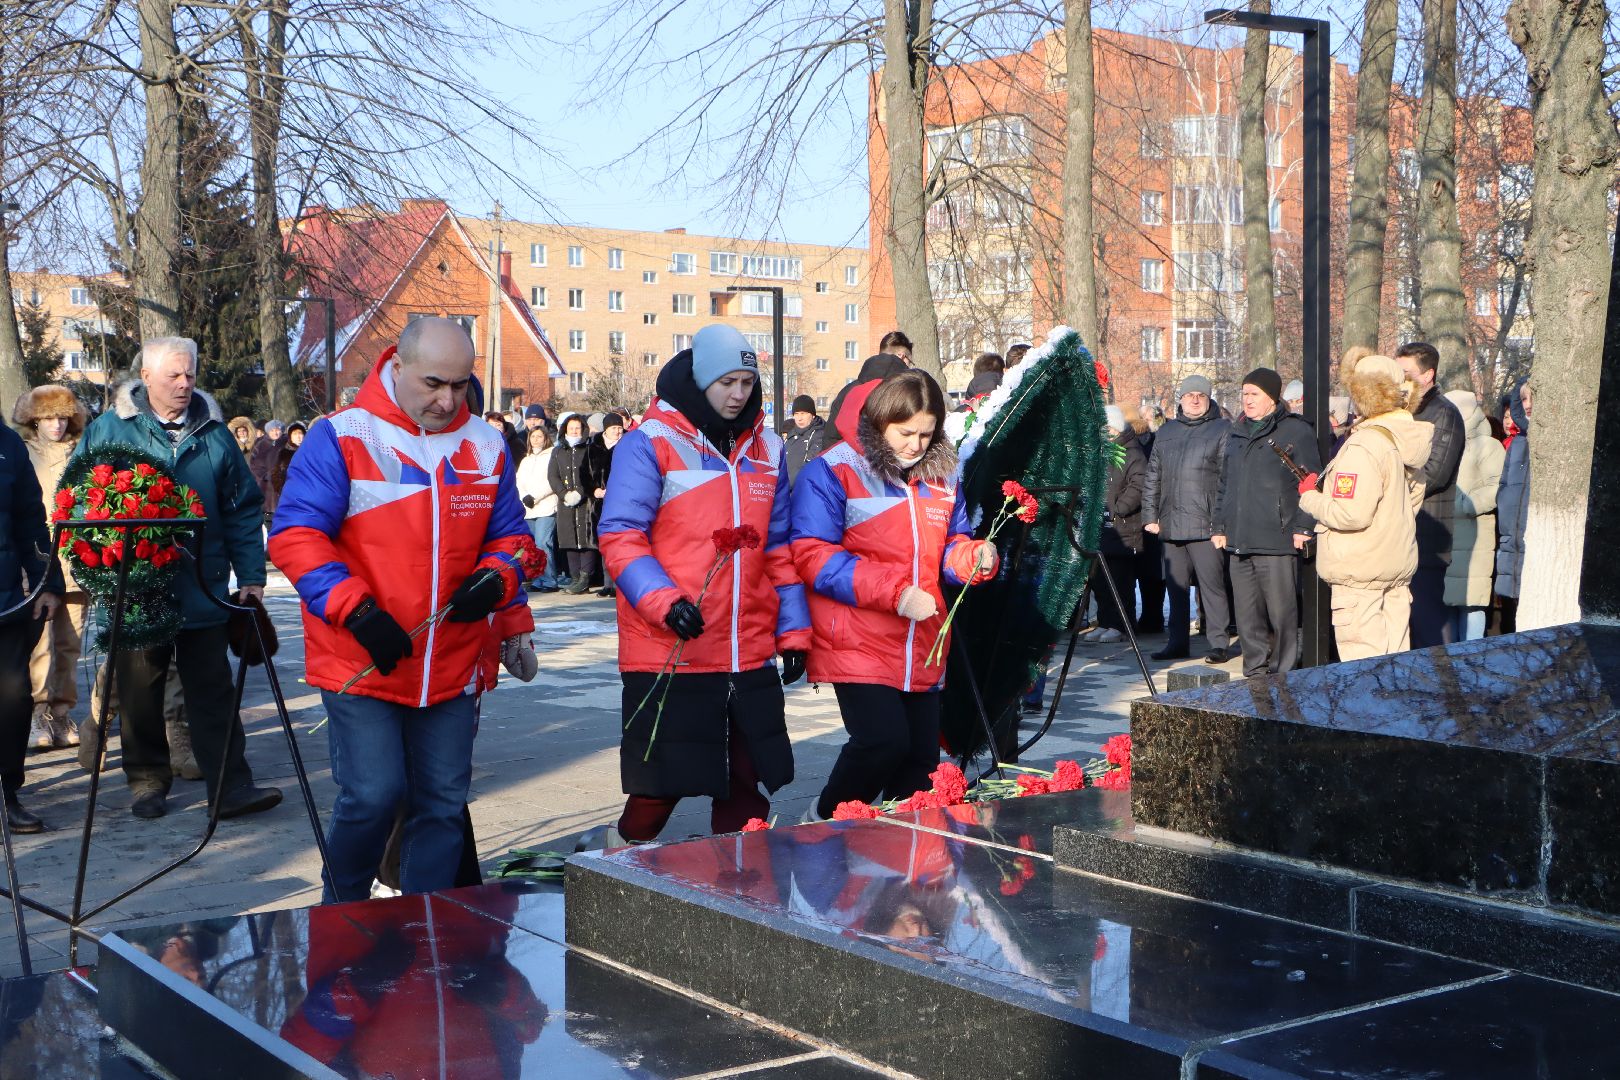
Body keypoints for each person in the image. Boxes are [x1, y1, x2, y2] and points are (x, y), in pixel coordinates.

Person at [268, 317, 529, 902]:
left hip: (452, 660)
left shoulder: (485, 443)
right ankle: (342, 906)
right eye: (435, 383)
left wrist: (497, 578)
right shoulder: (343, 435)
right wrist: (355, 610)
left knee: (442, 800)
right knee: (373, 794)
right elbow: (295, 535)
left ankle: (432, 919)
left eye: (462, 386)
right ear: (398, 364)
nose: (449, 400)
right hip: (363, 655)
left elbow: (511, 537)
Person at [596, 324, 810, 844]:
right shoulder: (649, 443)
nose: (738, 394)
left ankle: (742, 885)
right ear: (699, 379)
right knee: (660, 784)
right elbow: (621, 537)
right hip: (674, 645)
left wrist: (794, 631)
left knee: (747, 780)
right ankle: (617, 861)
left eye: (746, 381)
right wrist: (665, 603)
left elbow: (778, 548)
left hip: (746, 649)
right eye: (726, 382)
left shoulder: (770, 450)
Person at [75, 337, 281, 820]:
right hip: (135, 589)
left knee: (212, 689)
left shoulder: (213, 432)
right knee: (139, 692)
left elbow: (243, 507)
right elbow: (81, 501)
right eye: (174, 375)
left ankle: (231, 785)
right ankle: (147, 782)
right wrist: (101, 564)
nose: (185, 383)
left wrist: (251, 574)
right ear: (145, 378)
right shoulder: (110, 430)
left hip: (202, 587)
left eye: (190, 374)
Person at [793, 369, 997, 819]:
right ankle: (823, 822)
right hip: (857, 635)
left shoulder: (943, 477)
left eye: (926, 434)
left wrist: (972, 557)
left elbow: (951, 544)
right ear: (881, 422)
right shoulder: (834, 471)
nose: (915, 445)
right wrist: (896, 593)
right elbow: (812, 556)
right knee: (881, 740)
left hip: (921, 640)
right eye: (905, 433)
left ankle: (901, 860)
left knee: (920, 766)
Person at [1297, 354, 1432, 660]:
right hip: (1395, 569)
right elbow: (1412, 501)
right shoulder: (1404, 439)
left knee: (1365, 675)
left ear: (1362, 394)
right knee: (1396, 669)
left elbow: (1350, 513)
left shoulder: (1364, 445)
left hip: (1360, 574)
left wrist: (1310, 496)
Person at [1212, 368, 1322, 678]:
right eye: (1244, 393)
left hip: (1278, 535)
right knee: (1247, 614)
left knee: (1281, 612)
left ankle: (1284, 670)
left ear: (1272, 398)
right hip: (1239, 538)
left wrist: (1303, 526)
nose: (1247, 400)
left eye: (1254, 394)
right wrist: (1219, 525)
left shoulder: (1295, 431)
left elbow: (1311, 481)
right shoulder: (1235, 431)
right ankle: (1255, 672)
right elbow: (1225, 483)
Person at [12, 385, 89, 750]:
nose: (56, 425)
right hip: (40, 561)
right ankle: (37, 713)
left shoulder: (83, 453)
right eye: (47, 418)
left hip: (77, 562)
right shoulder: (21, 454)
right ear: (33, 420)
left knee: (70, 643)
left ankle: (62, 713)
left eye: (62, 417)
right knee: (39, 644)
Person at [1142, 375, 1234, 663]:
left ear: (1209, 399)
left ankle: (1218, 642)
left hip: (1205, 524)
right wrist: (1150, 514)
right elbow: (1153, 475)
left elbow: (1227, 480)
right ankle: (1177, 642)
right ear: (1180, 398)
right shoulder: (1167, 431)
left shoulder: (1222, 430)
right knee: (1176, 587)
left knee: (1212, 585)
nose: (1195, 399)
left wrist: (1220, 523)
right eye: (1190, 394)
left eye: (1201, 395)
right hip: (1170, 522)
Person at [0, 414, 63, 832]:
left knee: (14, 698)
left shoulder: (6, 444)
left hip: (4, 601)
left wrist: (48, 583)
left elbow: (30, 523)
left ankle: (7, 792)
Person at [1394, 342, 1466, 647]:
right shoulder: (1401, 412)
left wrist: (1387, 480)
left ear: (1428, 375)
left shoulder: (1444, 414)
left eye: (1406, 373)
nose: (1400, 381)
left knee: (1429, 623)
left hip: (1428, 532)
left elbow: (1435, 472)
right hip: (1401, 531)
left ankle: (1446, 686)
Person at [1443, 390, 1505, 641]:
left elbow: (1496, 486)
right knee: (1447, 603)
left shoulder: (1488, 446)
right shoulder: (1446, 442)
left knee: (1471, 604)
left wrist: (1462, 505)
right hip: (1446, 536)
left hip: (1473, 537)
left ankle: (1469, 664)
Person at [1082, 406, 1145, 645]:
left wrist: (1118, 508)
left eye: (1107, 427)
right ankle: (1107, 621)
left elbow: (1138, 484)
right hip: (1101, 527)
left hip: (1123, 528)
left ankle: (1122, 625)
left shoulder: (1132, 453)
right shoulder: (1102, 452)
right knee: (1101, 582)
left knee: (1120, 581)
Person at [549, 413, 606, 594]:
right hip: (565, 502)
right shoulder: (557, 451)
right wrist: (564, 494)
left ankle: (585, 577)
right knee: (569, 540)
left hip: (586, 501)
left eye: (577, 428)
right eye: (571, 428)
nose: (574, 431)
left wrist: (581, 493)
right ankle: (575, 578)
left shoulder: (589, 449)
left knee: (586, 539)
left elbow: (592, 473)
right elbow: (553, 475)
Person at [1494, 378, 1531, 635]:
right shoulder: (1517, 444)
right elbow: (1504, 489)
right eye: (1524, 399)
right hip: (1510, 541)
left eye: (1531, 398)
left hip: (1529, 541)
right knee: (1508, 617)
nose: (1527, 405)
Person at [516, 426, 560, 592]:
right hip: (528, 509)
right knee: (532, 546)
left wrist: (535, 496)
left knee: (543, 542)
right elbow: (518, 481)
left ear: (545, 438)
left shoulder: (551, 455)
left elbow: (552, 480)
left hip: (546, 506)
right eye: (533, 436)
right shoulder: (526, 460)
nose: (536, 439)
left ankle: (549, 580)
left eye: (539, 436)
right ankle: (537, 579)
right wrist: (525, 496)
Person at [591, 413, 626, 598]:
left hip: (623, 501)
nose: (618, 431)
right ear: (606, 429)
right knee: (605, 543)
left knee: (620, 542)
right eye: (614, 428)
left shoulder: (628, 444)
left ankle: (620, 583)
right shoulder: (594, 446)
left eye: (620, 428)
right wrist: (594, 490)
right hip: (600, 503)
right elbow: (584, 473)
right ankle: (607, 583)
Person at [783, 394, 825, 487]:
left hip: (804, 490)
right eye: (796, 414)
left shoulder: (818, 435)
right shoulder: (791, 434)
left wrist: (786, 486)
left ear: (812, 415)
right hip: (786, 492)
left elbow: (810, 467)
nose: (799, 418)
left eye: (803, 413)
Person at [249, 419, 283, 495]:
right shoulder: (260, 445)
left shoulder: (287, 443)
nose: (275, 433)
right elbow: (254, 464)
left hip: (286, 483)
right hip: (266, 484)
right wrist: (267, 475)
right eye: (272, 430)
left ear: (282, 431)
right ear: (268, 432)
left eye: (277, 430)